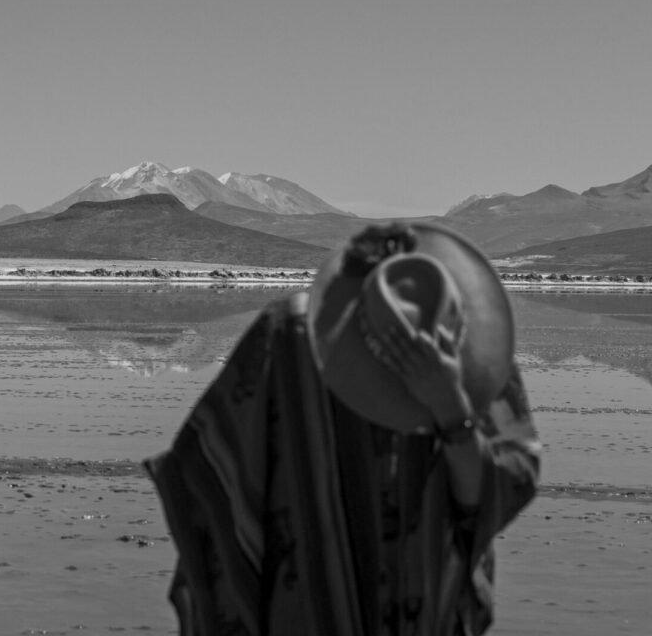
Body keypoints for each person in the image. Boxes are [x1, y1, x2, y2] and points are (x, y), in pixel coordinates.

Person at [144, 223, 541, 636]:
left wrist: (449, 407)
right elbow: (211, 470)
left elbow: (498, 490)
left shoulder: (475, 352)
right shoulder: (287, 340)